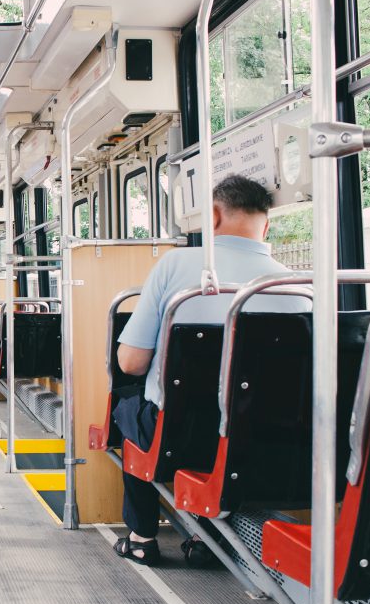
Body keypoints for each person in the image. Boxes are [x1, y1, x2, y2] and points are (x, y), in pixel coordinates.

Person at [113, 174, 309, 567]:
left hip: (179, 433)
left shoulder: (177, 266)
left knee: (127, 409)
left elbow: (131, 362)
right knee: (229, 419)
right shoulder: (298, 286)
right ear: (265, 225)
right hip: (265, 439)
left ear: (214, 216)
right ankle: (210, 538)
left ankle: (142, 536)